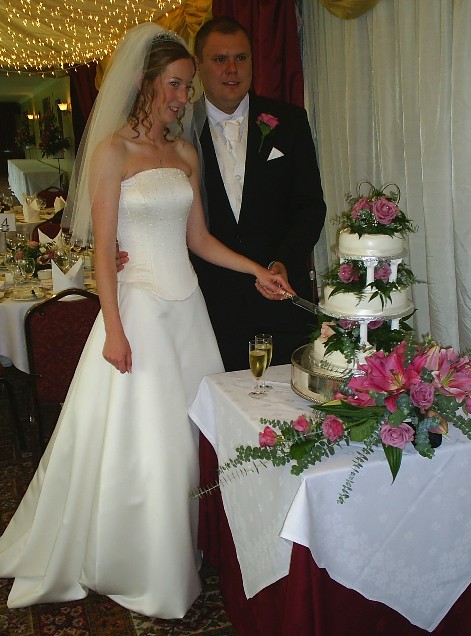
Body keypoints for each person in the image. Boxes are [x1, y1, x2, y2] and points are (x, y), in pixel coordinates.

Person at [0, 23, 293, 619]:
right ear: (146, 81)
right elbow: (105, 250)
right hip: (139, 312)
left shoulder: (183, 153)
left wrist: (256, 270)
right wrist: (113, 327)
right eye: (177, 85)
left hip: (188, 312)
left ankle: (193, 542)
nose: (186, 97)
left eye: (187, 87)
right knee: (153, 444)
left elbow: (202, 239)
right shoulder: (113, 152)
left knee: (192, 439)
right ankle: (149, 563)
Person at [118, 17, 326, 371]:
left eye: (241, 58)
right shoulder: (175, 130)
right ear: (198, 66)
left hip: (279, 299)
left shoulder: (289, 121)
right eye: (219, 59)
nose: (232, 69)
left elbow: (310, 206)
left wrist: (283, 262)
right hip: (205, 305)